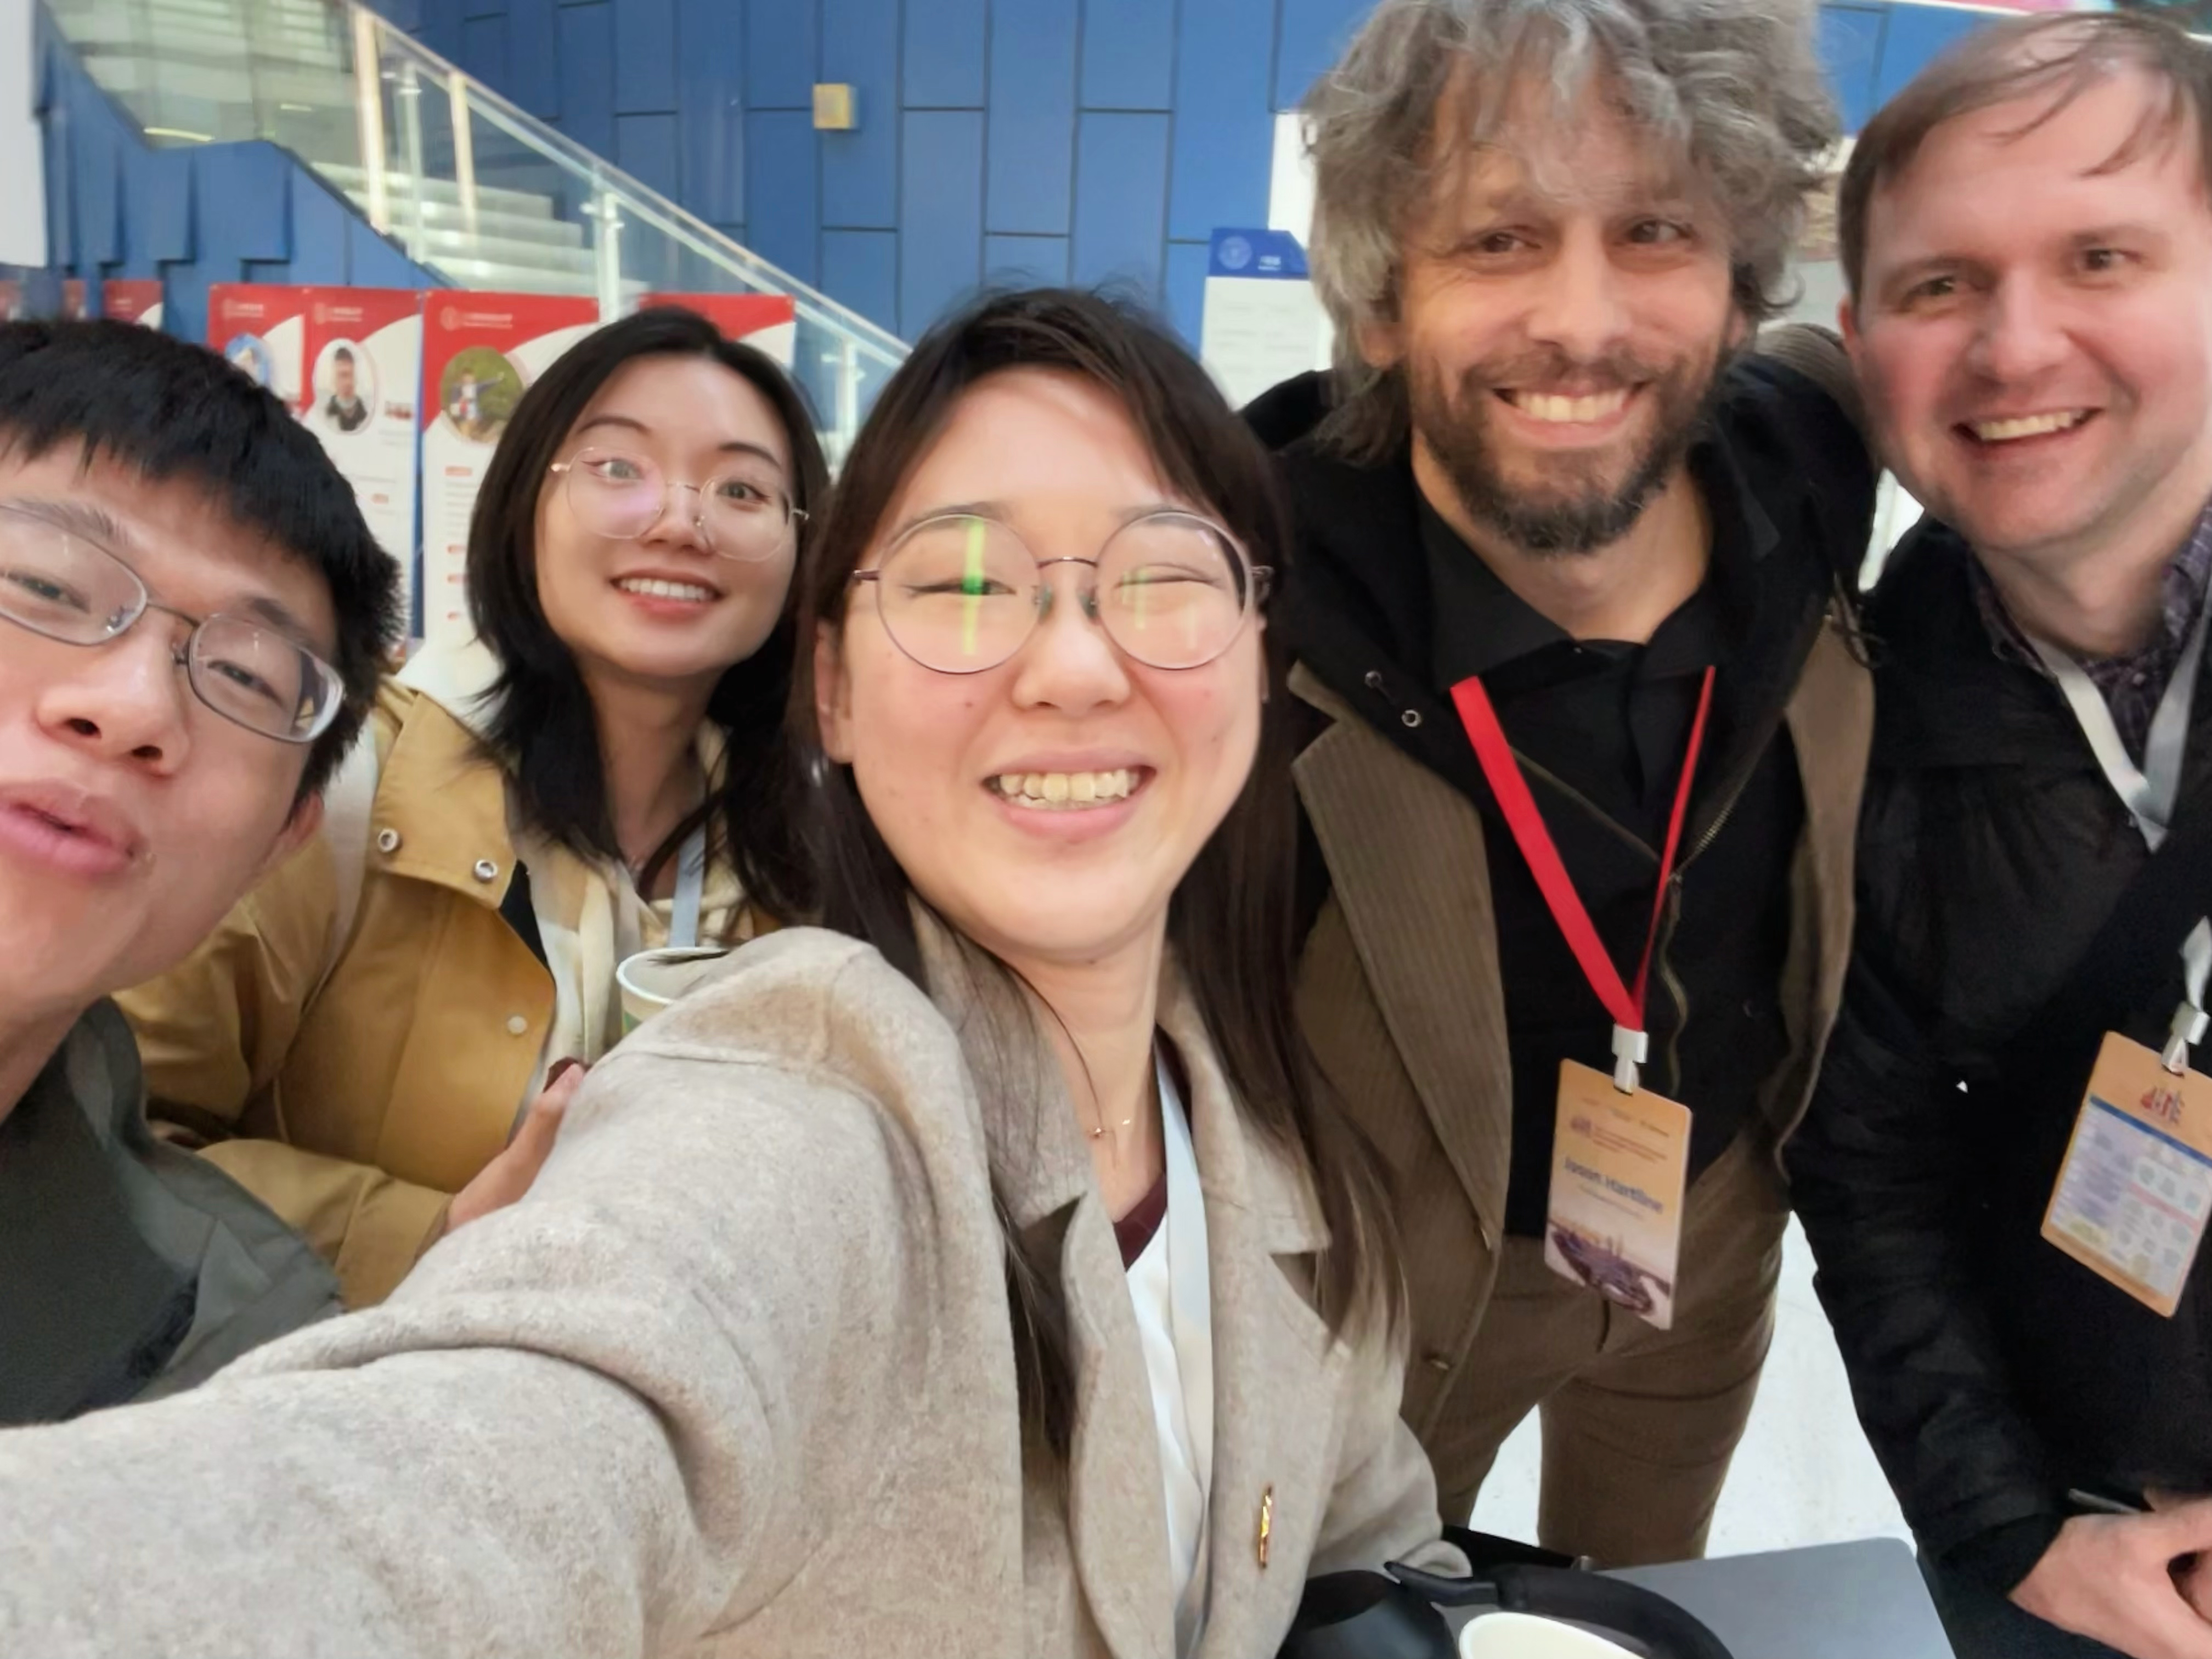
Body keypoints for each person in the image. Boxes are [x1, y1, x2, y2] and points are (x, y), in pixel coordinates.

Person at [0, 288, 1460, 1656]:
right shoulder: (792, 1080)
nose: (1074, 667)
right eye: (964, 583)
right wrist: (440, 1230)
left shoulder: (1245, 1124)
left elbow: (1367, 1528)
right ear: (840, 678)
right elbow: (484, 1458)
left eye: (1164, 579)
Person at [1245, 0, 1876, 1563]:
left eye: (1656, 230)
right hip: (1390, 1323)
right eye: (1500, 238)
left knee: (1647, 1614)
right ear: (1382, 300)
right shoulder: (1246, 613)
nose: (1583, 322)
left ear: (1740, 284)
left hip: (1703, 1243)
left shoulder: (1807, 470)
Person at [119, 306, 825, 1308]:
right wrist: (438, 1236)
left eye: (742, 489)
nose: (681, 521)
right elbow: (113, 1140)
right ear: (523, 505)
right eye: (618, 467)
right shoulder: (341, 783)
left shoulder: (803, 850)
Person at [1791, 15, 2212, 1659]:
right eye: (1942, 284)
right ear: (1861, 344)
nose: (2016, 346)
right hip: (2080, 1563)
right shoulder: (1847, 727)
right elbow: (1870, 1171)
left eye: (2101, 257)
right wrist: (2009, 1534)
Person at [0, 318, 399, 1423]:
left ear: (283, 838)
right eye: (45, 587)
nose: (133, 707)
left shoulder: (235, 1351)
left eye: (246, 675)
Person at [324, 346, 369, 433]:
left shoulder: (367, 417)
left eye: (351, 375)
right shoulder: (325, 416)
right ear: (334, 379)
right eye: (342, 375)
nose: (347, 382)